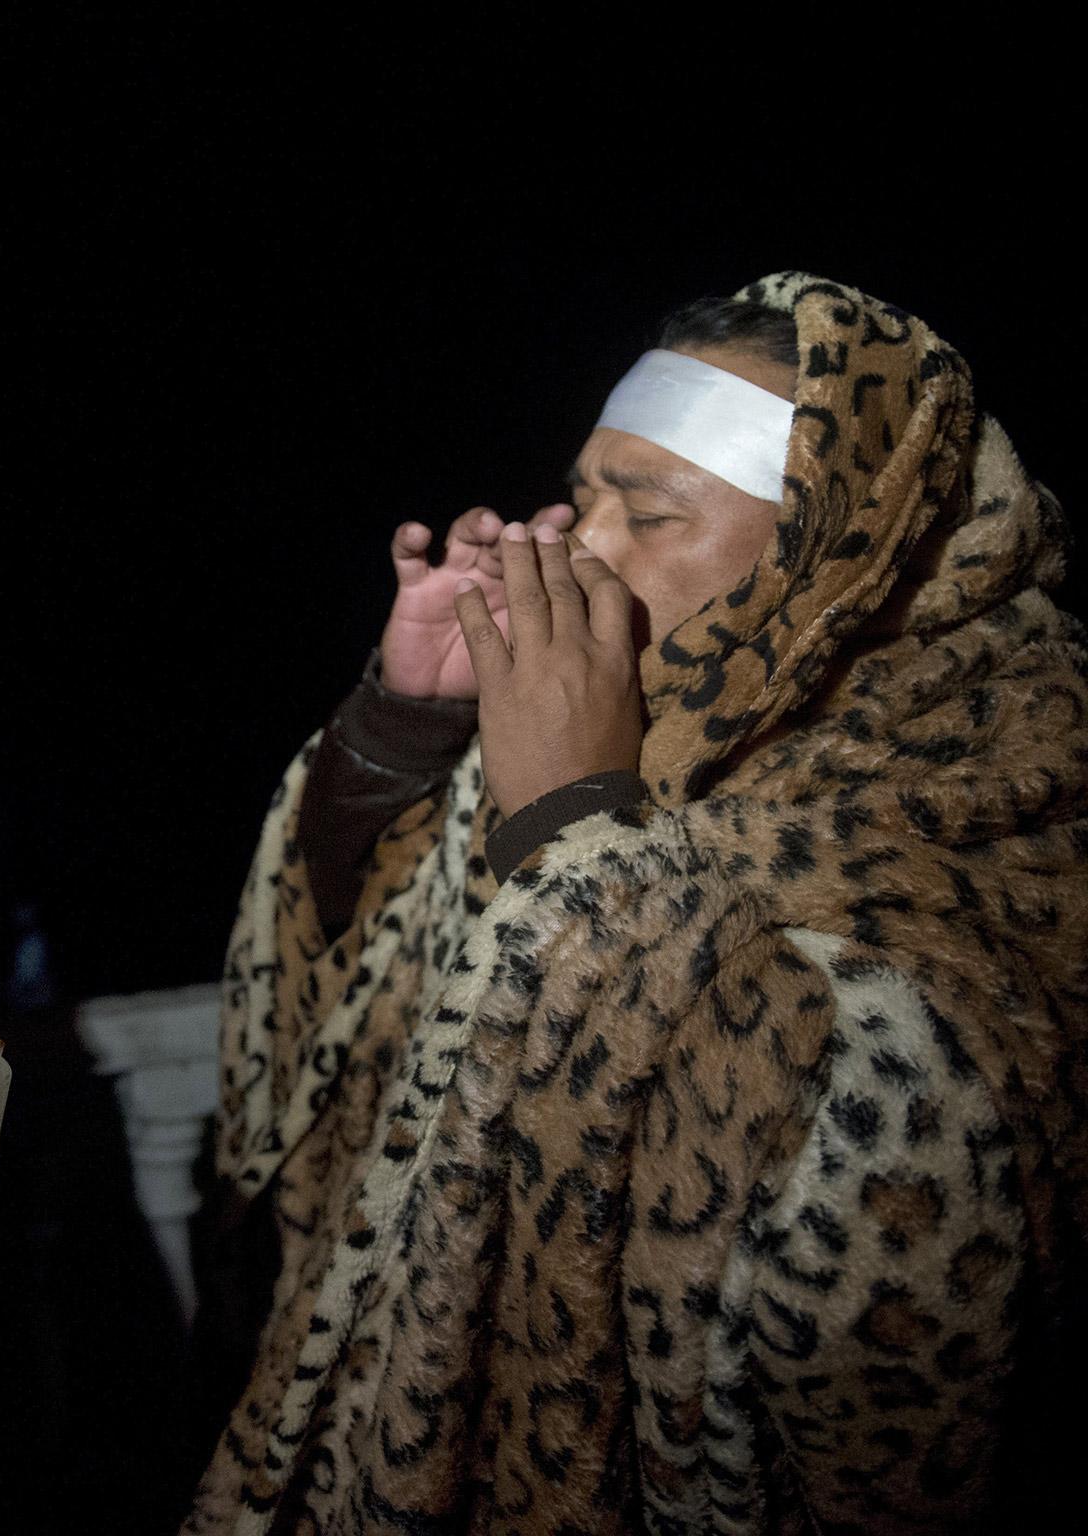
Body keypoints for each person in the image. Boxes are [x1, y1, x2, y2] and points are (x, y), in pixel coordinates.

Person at [190, 276, 1087, 1532]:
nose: (572, 547)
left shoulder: (983, 788)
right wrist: (404, 731)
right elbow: (364, 1020)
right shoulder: (594, 733)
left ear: (841, 554)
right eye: (586, 494)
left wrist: (573, 833)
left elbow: (892, 1284)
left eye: (650, 515)